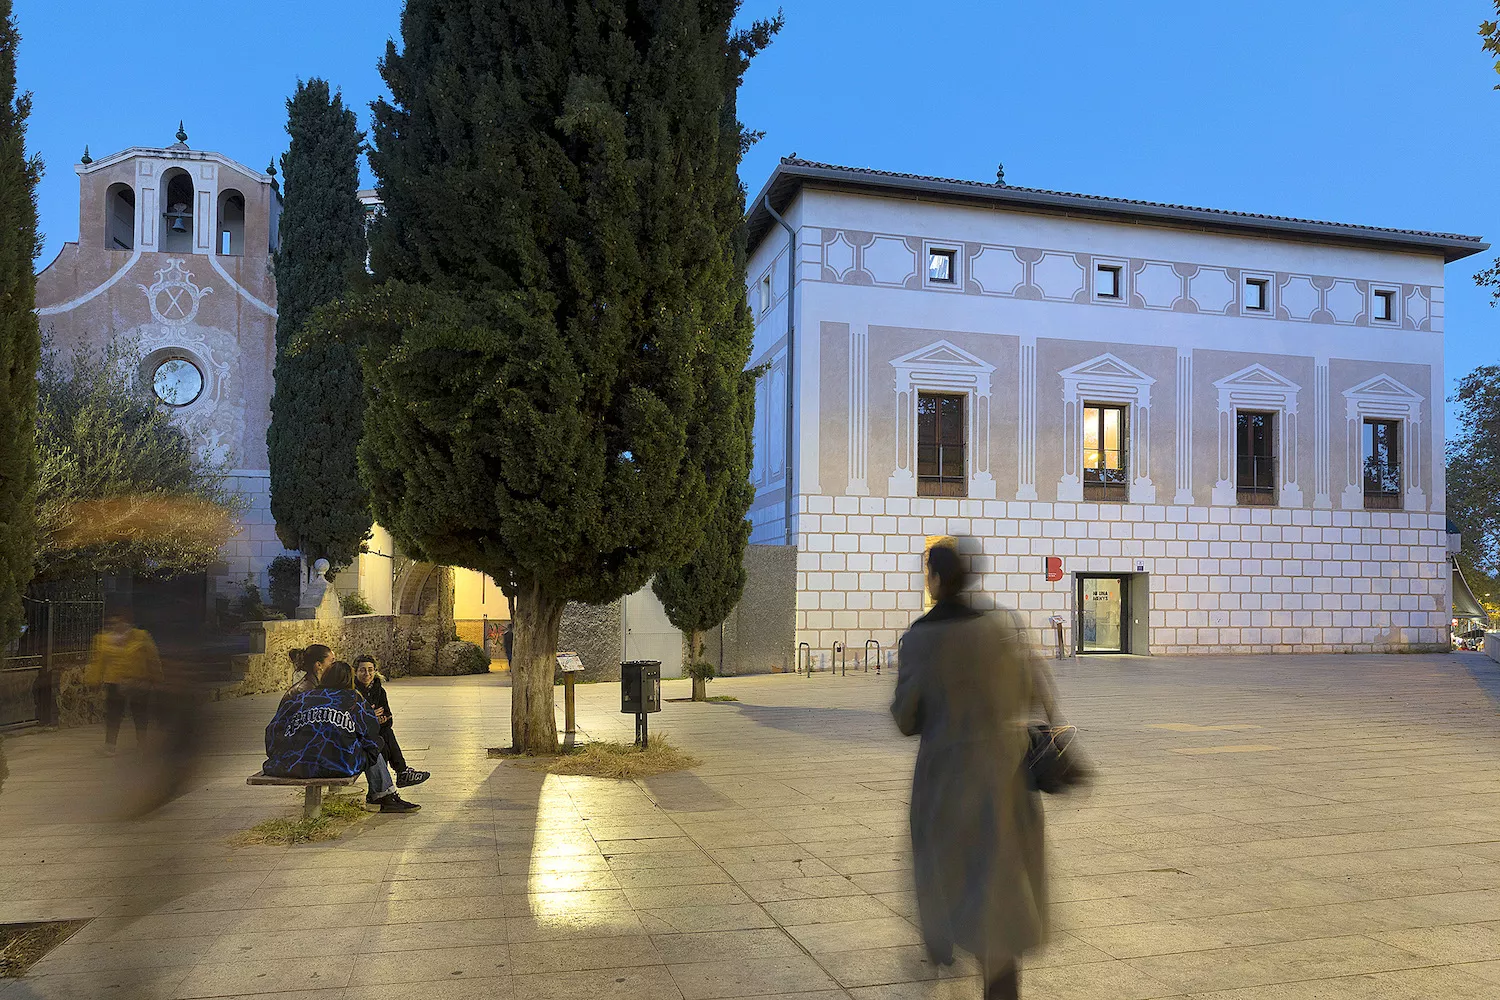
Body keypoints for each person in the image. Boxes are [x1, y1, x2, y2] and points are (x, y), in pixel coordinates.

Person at [890, 542, 1060, 1000]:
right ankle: (998, 976)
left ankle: (945, 942)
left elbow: (906, 718)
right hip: (1005, 778)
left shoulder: (922, 638)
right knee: (999, 885)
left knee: (946, 872)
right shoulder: (1003, 626)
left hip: (946, 782)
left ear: (938, 580)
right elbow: (1028, 691)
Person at [263, 660, 420, 814]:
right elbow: (370, 734)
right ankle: (383, 795)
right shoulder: (353, 699)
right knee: (374, 745)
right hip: (336, 764)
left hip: (292, 763)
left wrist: (278, 754)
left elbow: (273, 729)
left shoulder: (300, 698)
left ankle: (386, 792)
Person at [85, 606, 164, 754]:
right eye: (113, 622)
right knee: (113, 714)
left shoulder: (141, 636)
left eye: (120, 621)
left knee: (140, 714)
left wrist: (156, 677)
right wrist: (94, 680)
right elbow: (98, 662)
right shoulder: (103, 640)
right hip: (115, 682)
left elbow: (152, 658)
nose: (116, 625)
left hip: (138, 681)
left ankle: (142, 743)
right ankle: (110, 745)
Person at [353, 654, 429, 788]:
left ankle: (389, 783)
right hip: (358, 734)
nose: (367, 674)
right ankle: (400, 774)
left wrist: (379, 719)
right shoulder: (352, 691)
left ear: (375, 671)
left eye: (370, 670)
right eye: (362, 670)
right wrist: (371, 716)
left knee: (385, 733)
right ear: (355, 672)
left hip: (376, 730)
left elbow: (388, 716)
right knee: (383, 738)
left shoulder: (379, 691)